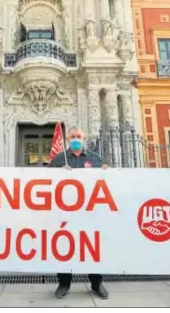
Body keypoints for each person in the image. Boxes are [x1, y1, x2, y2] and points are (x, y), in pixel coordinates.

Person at [48, 126, 109, 300]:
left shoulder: (95, 158)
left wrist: (107, 172)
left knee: (92, 247)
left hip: (89, 213)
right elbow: (46, 180)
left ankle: (96, 282)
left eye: (79, 136)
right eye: (73, 136)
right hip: (65, 213)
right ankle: (64, 283)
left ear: (84, 138)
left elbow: (105, 181)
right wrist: (58, 173)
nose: (76, 139)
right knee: (64, 246)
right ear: (67, 140)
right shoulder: (59, 159)